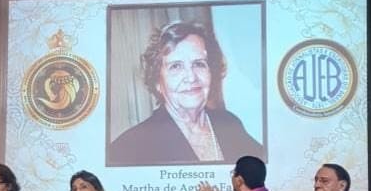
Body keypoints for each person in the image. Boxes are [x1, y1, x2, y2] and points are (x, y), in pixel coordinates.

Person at [108, 20, 263, 165]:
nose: (191, 77)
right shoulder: (130, 146)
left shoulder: (229, 124)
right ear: (157, 82)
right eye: (176, 66)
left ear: (212, 71)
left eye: (199, 64)